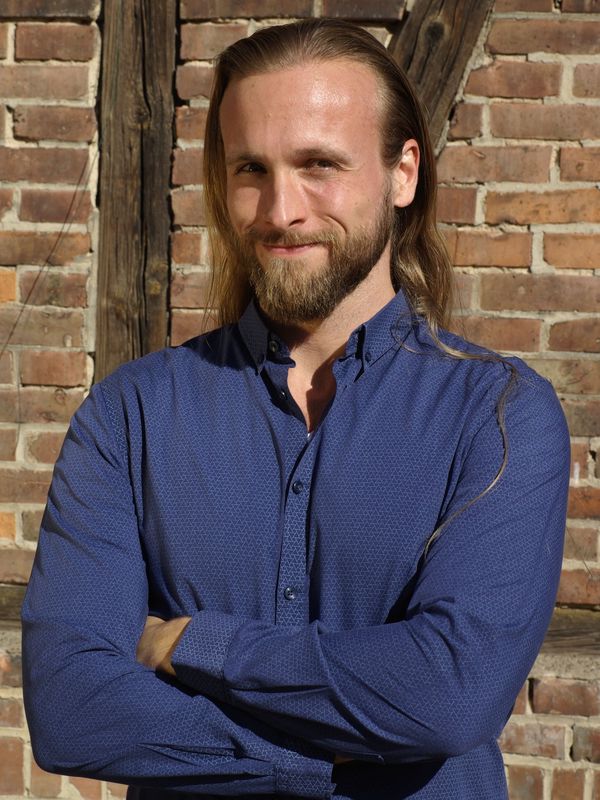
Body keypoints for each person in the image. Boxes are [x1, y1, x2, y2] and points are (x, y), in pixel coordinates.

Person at [22, 18, 570, 800]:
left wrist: (194, 644)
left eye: (319, 164)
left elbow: (448, 693)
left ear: (403, 172)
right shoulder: (130, 416)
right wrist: (332, 756)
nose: (281, 210)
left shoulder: (500, 414)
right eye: (252, 168)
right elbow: (73, 709)